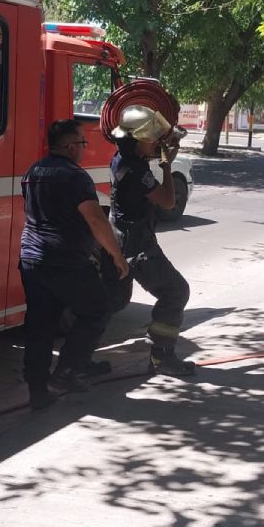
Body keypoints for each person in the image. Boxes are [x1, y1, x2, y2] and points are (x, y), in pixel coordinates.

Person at [20, 119, 129, 411]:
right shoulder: (74, 176)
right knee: (97, 308)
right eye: (82, 142)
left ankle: (39, 390)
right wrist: (116, 255)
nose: (84, 147)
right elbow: (95, 218)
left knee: (40, 325)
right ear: (70, 147)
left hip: (32, 259)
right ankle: (68, 370)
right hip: (64, 260)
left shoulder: (33, 171)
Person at [109, 106, 196, 376]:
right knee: (176, 291)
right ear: (137, 139)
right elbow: (168, 202)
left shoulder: (120, 159)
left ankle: (74, 365)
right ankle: (161, 357)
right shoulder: (136, 171)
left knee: (106, 303)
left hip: (126, 239)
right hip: (137, 245)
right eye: (151, 138)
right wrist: (166, 164)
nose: (156, 142)